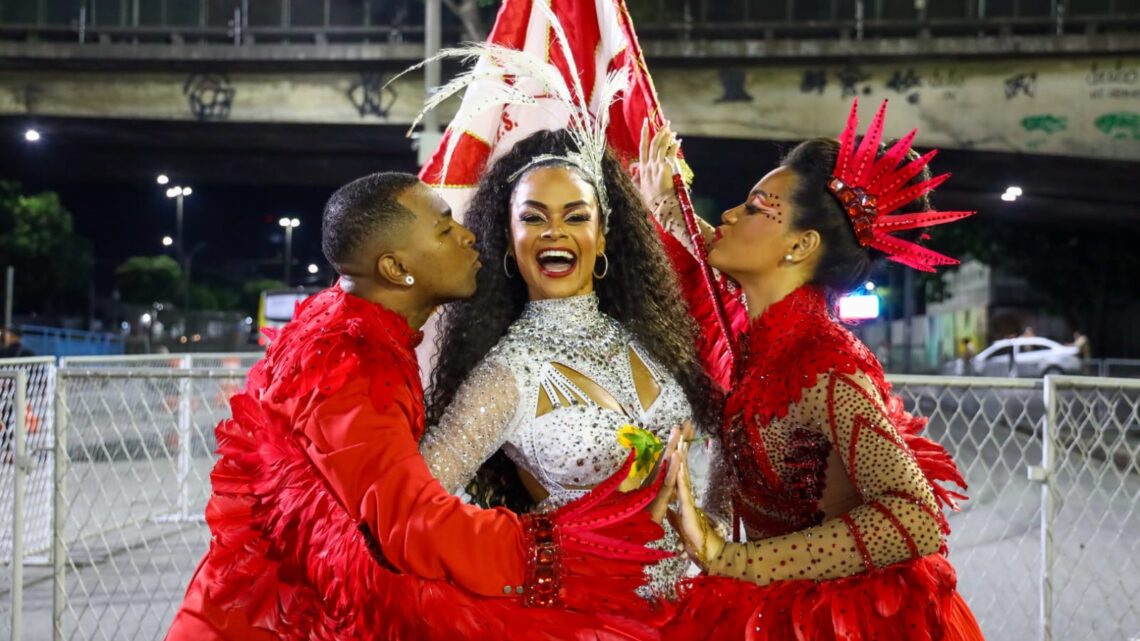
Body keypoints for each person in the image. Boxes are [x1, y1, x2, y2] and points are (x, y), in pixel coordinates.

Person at [166, 172, 674, 641]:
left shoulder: (362, 331)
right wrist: (564, 552)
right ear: (396, 268)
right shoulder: (348, 364)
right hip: (263, 624)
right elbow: (411, 521)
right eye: (444, 228)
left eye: (578, 216)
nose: (469, 237)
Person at [646, 101, 985, 640]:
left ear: (802, 245)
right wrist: (666, 197)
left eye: (757, 208)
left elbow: (915, 516)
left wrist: (730, 558)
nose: (732, 215)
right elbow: (703, 257)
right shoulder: (761, 340)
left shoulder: (825, 364)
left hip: (844, 622)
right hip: (771, 609)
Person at [422, 129, 723, 601]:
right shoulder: (506, 375)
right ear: (508, 239)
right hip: (588, 619)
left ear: (602, 237)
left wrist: (672, 208)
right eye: (533, 218)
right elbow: (413, 511)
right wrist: (546, 555)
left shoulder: (652, 340)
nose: (554, 232)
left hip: (695, 610)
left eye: (576, 216)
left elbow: (744, 309)